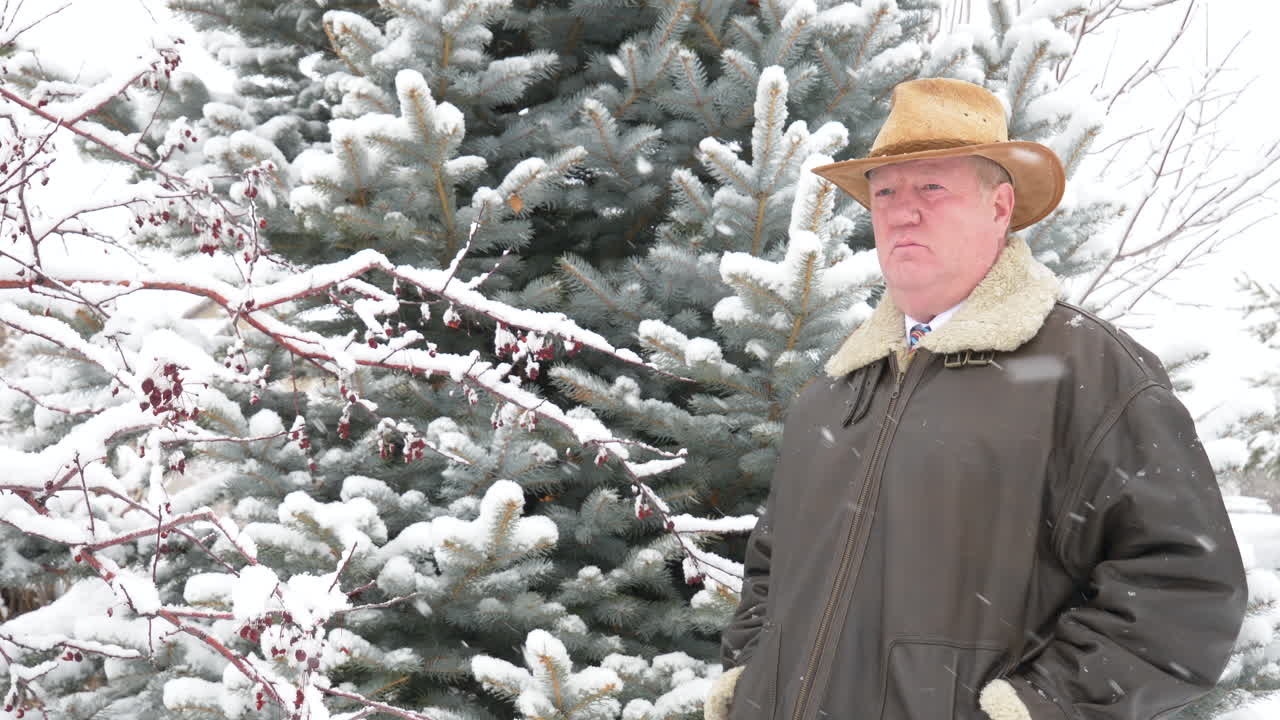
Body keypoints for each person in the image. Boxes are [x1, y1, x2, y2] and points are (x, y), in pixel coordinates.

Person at [704, 78, 1247, 720]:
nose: (902, 210)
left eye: (931, 187)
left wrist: (1033, 708)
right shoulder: (831, 395)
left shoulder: (1087, 371)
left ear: (999, 207)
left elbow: (1185, 588)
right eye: (885, 193)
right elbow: (769, 574)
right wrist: (749, 681)